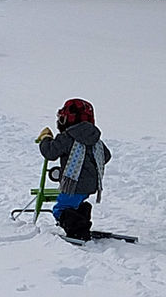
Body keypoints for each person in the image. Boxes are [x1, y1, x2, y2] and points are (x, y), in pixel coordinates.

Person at [36, 98, 111, 240]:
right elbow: (106, 155)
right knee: (75, 205)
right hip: (91, 185)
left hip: (73, 185)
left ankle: (78, 231)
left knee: (60, 209)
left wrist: (45, 138)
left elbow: (50, 152)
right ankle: (82, 222)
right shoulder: (94, 138)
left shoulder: (68, 137)